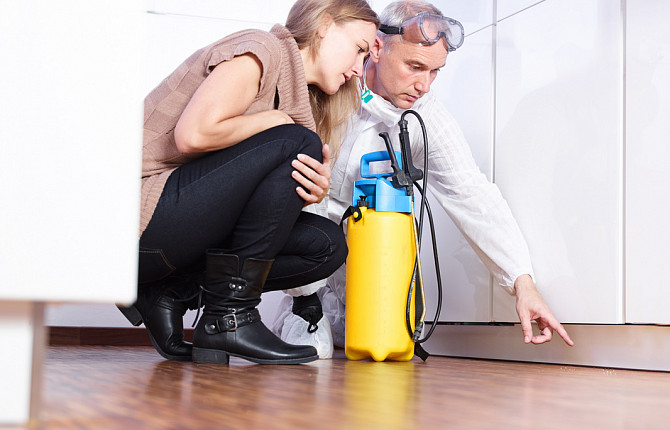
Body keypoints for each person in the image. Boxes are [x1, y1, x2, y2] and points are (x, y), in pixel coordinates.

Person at [273, 0, 574, 356]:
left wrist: (523, 284)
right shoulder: (333, 79)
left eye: (435, 72)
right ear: (377, 48)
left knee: (382, 337)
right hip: (308, 254)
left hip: (367, 269)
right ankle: (304, 307)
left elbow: (473, 195)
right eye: (414, 66)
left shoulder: (425, 116)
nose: (424, 85)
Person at [117, 0, 380, 365]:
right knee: (297, 141)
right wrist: (278, 122)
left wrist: (308, 192)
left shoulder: (298, 102)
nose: (358, 69)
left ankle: (170, 293)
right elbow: (192, 135)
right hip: (129, 221)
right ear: (324, 24)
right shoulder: (261, 49)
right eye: (360, 49)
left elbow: (248, 209)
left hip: (167, 234)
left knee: (325, 245)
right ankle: (231, 317)